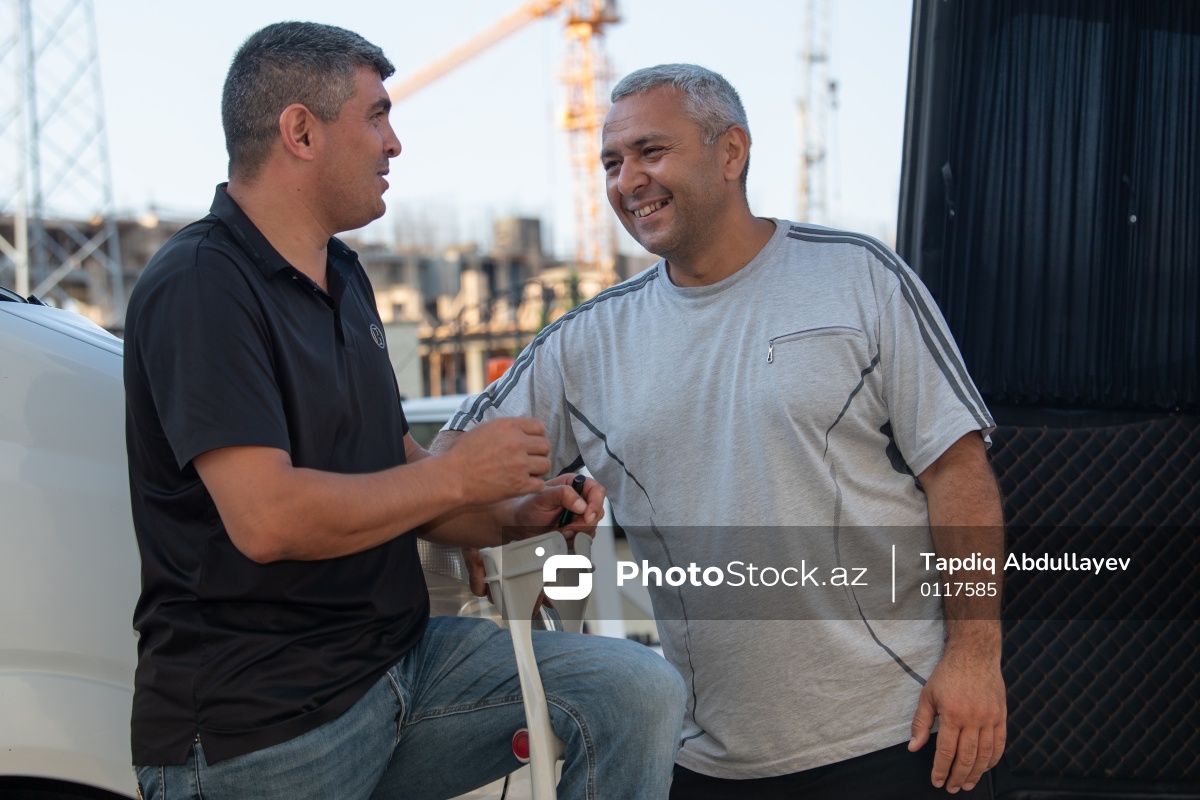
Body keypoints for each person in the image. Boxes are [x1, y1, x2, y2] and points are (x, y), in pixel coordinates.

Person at [123, 23, 683, 800]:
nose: (394, 143)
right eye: (377, 115)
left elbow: (400, 473)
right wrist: (460, 477)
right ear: (300, 132)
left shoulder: (343, 277)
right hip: (264, 725)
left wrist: (510, 514)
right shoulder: (200, 286)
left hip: (400, 669)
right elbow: (268, 520)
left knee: (634, 692)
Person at [437, 64, 1006, 798]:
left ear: (731, 151)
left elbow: (957, 474)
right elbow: (446, 468)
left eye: (651, 151)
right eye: (611, 163)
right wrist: (499, 518)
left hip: (902, 733)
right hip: (707, 761)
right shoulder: (587, 343)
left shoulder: (861, 278)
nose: (627, 181)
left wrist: (975, 657)